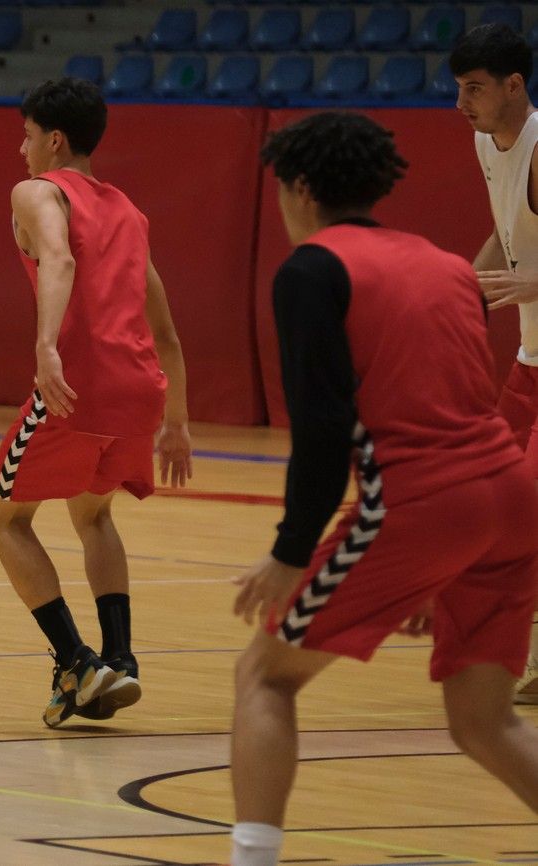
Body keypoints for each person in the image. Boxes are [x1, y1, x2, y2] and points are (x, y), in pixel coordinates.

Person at [228, 111, 538, 866]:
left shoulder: (311, 272)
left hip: (425, 503)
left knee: (264, 676)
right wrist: (438, 566)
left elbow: (325, 431)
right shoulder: (445, 264)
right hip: (513, 496)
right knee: (483, 721)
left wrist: (290, 551)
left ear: (300, 188)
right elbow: (465, 404)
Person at [0, 77, 193, 728]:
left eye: (24, 135)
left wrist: (47, 348)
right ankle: (120, 661)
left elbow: (58, 259)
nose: (20, 151)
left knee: (3, 519)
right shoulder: (128, 210)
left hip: (80, 382)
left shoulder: (37, 191)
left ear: (53, 138)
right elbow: (166, 331)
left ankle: (75, 661)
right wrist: (178, 421)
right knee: (93, 517)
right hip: (141, 389)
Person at [452, 22, 538, 704]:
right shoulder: (487, 143)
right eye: (459, 89)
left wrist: (533, 282)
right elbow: (507, 236)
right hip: (530, 360)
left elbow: (528, 265)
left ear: (515, 85)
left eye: (475, 89)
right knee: (487, 505)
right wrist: (457, 291)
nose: (463, 103)